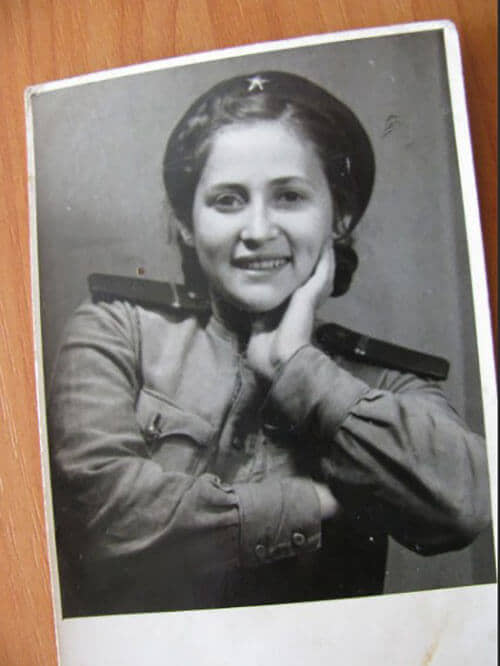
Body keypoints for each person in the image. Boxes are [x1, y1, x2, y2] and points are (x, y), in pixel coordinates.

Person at [49, 71, 491, 617]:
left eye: (289, 196)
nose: (257, 230)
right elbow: (99, 522)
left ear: (339, 216)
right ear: (186, 221)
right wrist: (315, 502)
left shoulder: (384, 379)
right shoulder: (118, 329)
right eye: (228, 200)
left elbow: (466, 506)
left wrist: (299, 367)